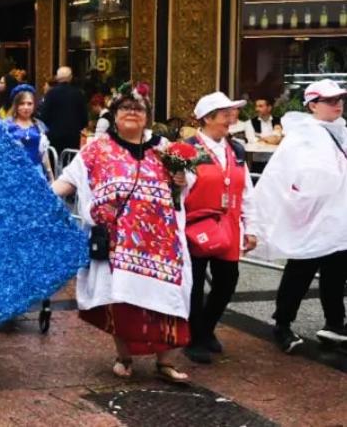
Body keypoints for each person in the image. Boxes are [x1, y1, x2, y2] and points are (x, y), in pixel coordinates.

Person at [51, 82, 192, 384]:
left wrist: (181, 177)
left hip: (162, 246)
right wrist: (38, 202)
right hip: (117, 246)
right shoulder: (96, 149)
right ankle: (123, 357)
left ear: (147, 116)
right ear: (114, 114)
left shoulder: (164, 148)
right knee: (122, 302)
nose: (132, 113)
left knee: (165, 301)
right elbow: (68, 181)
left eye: (138, 108)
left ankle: (165, 362)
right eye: (125, 108)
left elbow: (182, 186)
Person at [251, 79, 347, 353]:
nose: (337, 104)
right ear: (313, 105)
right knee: (300, 272)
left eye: (339, 99)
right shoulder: (303, 135)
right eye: (330, 100)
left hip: (338, 220)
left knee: (336, 274)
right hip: (311, 219)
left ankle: (335, 324)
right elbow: (282, 176)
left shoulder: (341, 131)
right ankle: (282, 323)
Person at [181, 92, 259, 364]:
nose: (231, 118)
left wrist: (251, 227)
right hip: (195, 228)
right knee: (194, 284)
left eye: (232, 113)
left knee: (227, 282)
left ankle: (205, 327)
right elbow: (178, 192)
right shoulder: (188, 150)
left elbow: (246, 190)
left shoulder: (236, 149)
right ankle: (193, 337)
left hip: (227, 227)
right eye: (225, 114)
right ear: (207, 118)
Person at [2, 84, 52, 180]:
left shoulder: (39, 126)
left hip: (36, 174)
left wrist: (51, 178)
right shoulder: (6, 125)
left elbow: (44, 154)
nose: (26, 107)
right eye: (22, 103)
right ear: (16, 105)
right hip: (13, 174)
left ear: (34, 105)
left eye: (29, 104)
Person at [38, 66, 88, 156]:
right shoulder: (78, 94)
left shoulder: (51, 94)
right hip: (72, 136)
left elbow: (44, 116)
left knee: (54, 161)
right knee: (70, 162)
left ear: (57, 77)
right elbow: (84, 118)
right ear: (71, 78)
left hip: (54, 136)